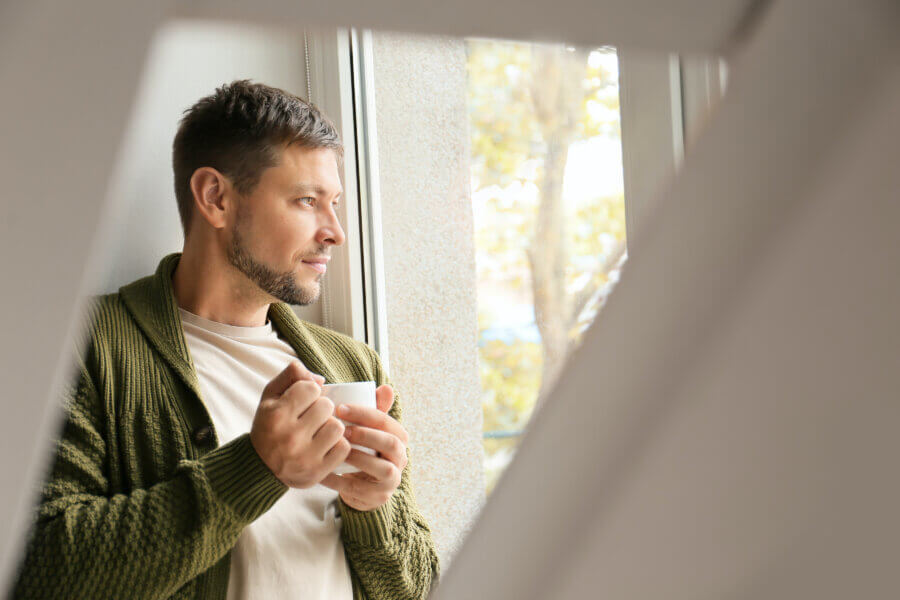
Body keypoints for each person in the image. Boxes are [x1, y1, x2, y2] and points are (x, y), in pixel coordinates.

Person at [13, 80, 440, 599]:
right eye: (307, 200)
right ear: (215, 197)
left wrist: (373, 508)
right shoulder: (80, 347)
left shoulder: (353, 366)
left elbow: (416, 589)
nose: (335, 232)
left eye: (335, 204)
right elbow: (39, 570)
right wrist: (255, 468)